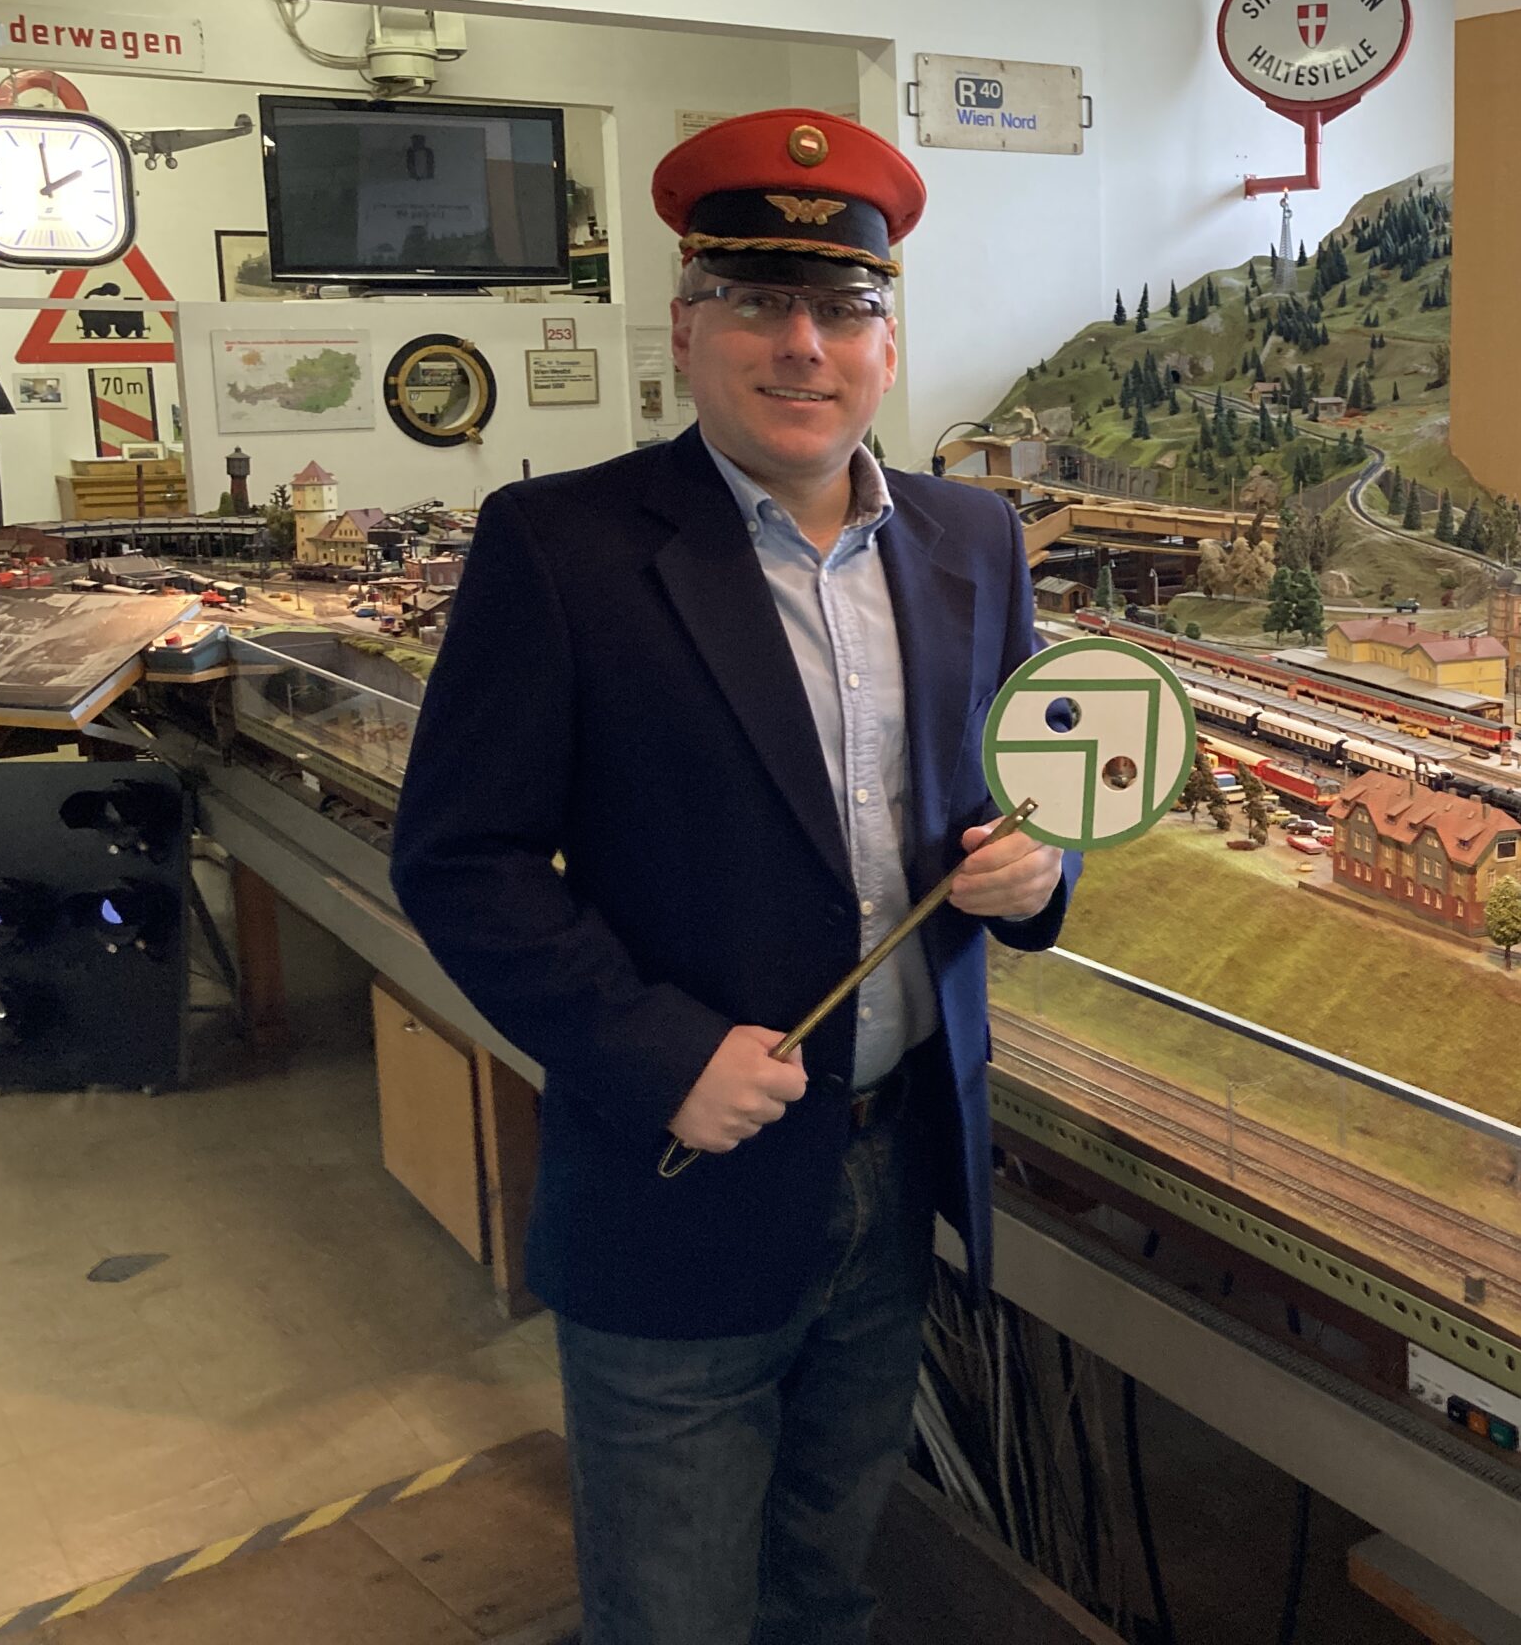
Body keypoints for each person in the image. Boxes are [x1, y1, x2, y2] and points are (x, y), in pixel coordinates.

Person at [389, 108, 1075, 1645]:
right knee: (677, 1609)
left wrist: (1040, 873)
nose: (802, 346)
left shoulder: (976, 540)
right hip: (678, 1178)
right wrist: (657, 1056)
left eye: (843, 307)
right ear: (690, 330)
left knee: (824, 1582)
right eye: (761, 304)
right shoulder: (561, 548)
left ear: (889, 343)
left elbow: (1035, 786)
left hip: (898, 1169)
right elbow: (462, 859)